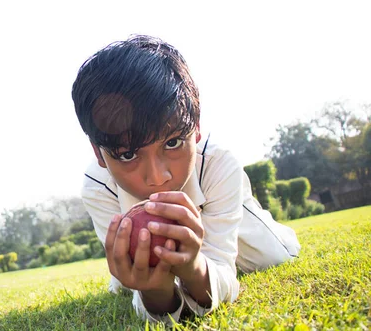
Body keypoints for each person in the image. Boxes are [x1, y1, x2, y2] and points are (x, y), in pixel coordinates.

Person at [71, 35, 301, 323]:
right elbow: (145, 290)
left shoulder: (217, 163)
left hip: (221, 205)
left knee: (271, 256)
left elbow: (223, 273)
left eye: (172, 143)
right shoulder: (99, 186)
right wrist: (153, 289)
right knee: (127, 283)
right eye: (127, 154)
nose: (157, 178)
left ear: (196, 128)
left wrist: (196, 268)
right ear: (100, 154)